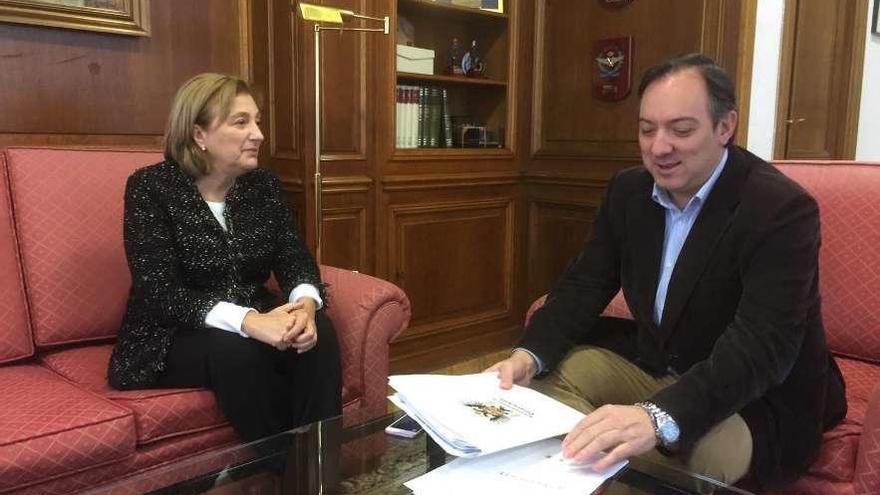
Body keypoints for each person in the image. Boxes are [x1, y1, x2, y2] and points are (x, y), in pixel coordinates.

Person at [487, 53, 846, 490]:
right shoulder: (628, 191)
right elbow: (585, 283)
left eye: (681, 130)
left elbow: (762, 344)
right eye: (646, 129)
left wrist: (656, 418)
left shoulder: (780, 210)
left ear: (724, 127)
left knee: (692, 460)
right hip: (657, 361)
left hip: (753, 393)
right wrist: (528, 356)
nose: (659, 147)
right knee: (543, 385)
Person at [108, 73, 341, 445]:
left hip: (252, 318)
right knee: (237, 349)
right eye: (241, 122)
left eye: (257, 121)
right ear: (199, 134)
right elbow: (160, 292)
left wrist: (305, 306)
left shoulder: (262, 185)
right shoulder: (150, 188)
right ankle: (289, 474)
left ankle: (320, 472)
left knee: (319, 335)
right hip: (171, 333)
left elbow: (294, 254)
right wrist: (247, 321)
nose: (258, 134)